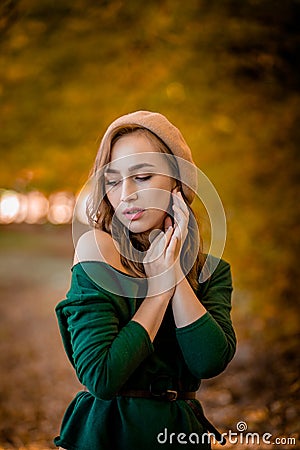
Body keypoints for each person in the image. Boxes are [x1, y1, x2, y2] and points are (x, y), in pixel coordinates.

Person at [54, 111, 236, 450]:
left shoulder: (212, 272)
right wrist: (160, 285)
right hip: (109, 434)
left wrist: (176, 271)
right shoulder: (97, 250)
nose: (125, 195)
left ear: (178, 184)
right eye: (112, 181)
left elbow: (209, 361)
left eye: (142, 176)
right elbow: (102, 376)